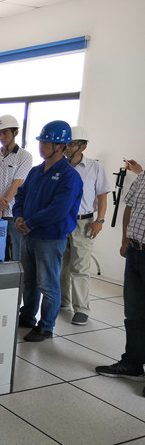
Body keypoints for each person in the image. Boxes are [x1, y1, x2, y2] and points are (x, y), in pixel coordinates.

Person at [13, 120, 83, 342]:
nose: (41, 146)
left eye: (46, 142)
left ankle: (46, 326)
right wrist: (19, 217)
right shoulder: (36, 171)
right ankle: (27, 317)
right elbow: (20, 195)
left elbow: (58, 209)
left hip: (50, 238)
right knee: (29, 281)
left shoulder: (69, 176)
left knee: (48, 284)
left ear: (60, 146)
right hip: (29, 235)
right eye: (41, 141)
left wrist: (30, 223)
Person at [95, 159, 145, 387]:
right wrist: (125, 239)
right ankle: (132, 363)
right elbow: (130, 207)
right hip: (135, 250)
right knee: (133, 313)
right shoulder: (143, 177)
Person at [60, 126, 111, 325]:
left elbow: (102, 196)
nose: (67, 148)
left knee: (80, 266)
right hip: (61, 221)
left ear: (83, 146)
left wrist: (100, 220)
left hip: (84, 222)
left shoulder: (95, 168)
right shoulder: (59, 166)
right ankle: (63, 301)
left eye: (72, 144)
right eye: (66, 144)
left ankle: (81, 308)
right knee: (61, 264)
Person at [0, 115, 33, 261]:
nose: (1, 137)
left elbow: (17, 184)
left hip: (12, 213)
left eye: (5, 132)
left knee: (16, 253)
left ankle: (17, 276)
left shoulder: (24, 156)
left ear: (15, 132)